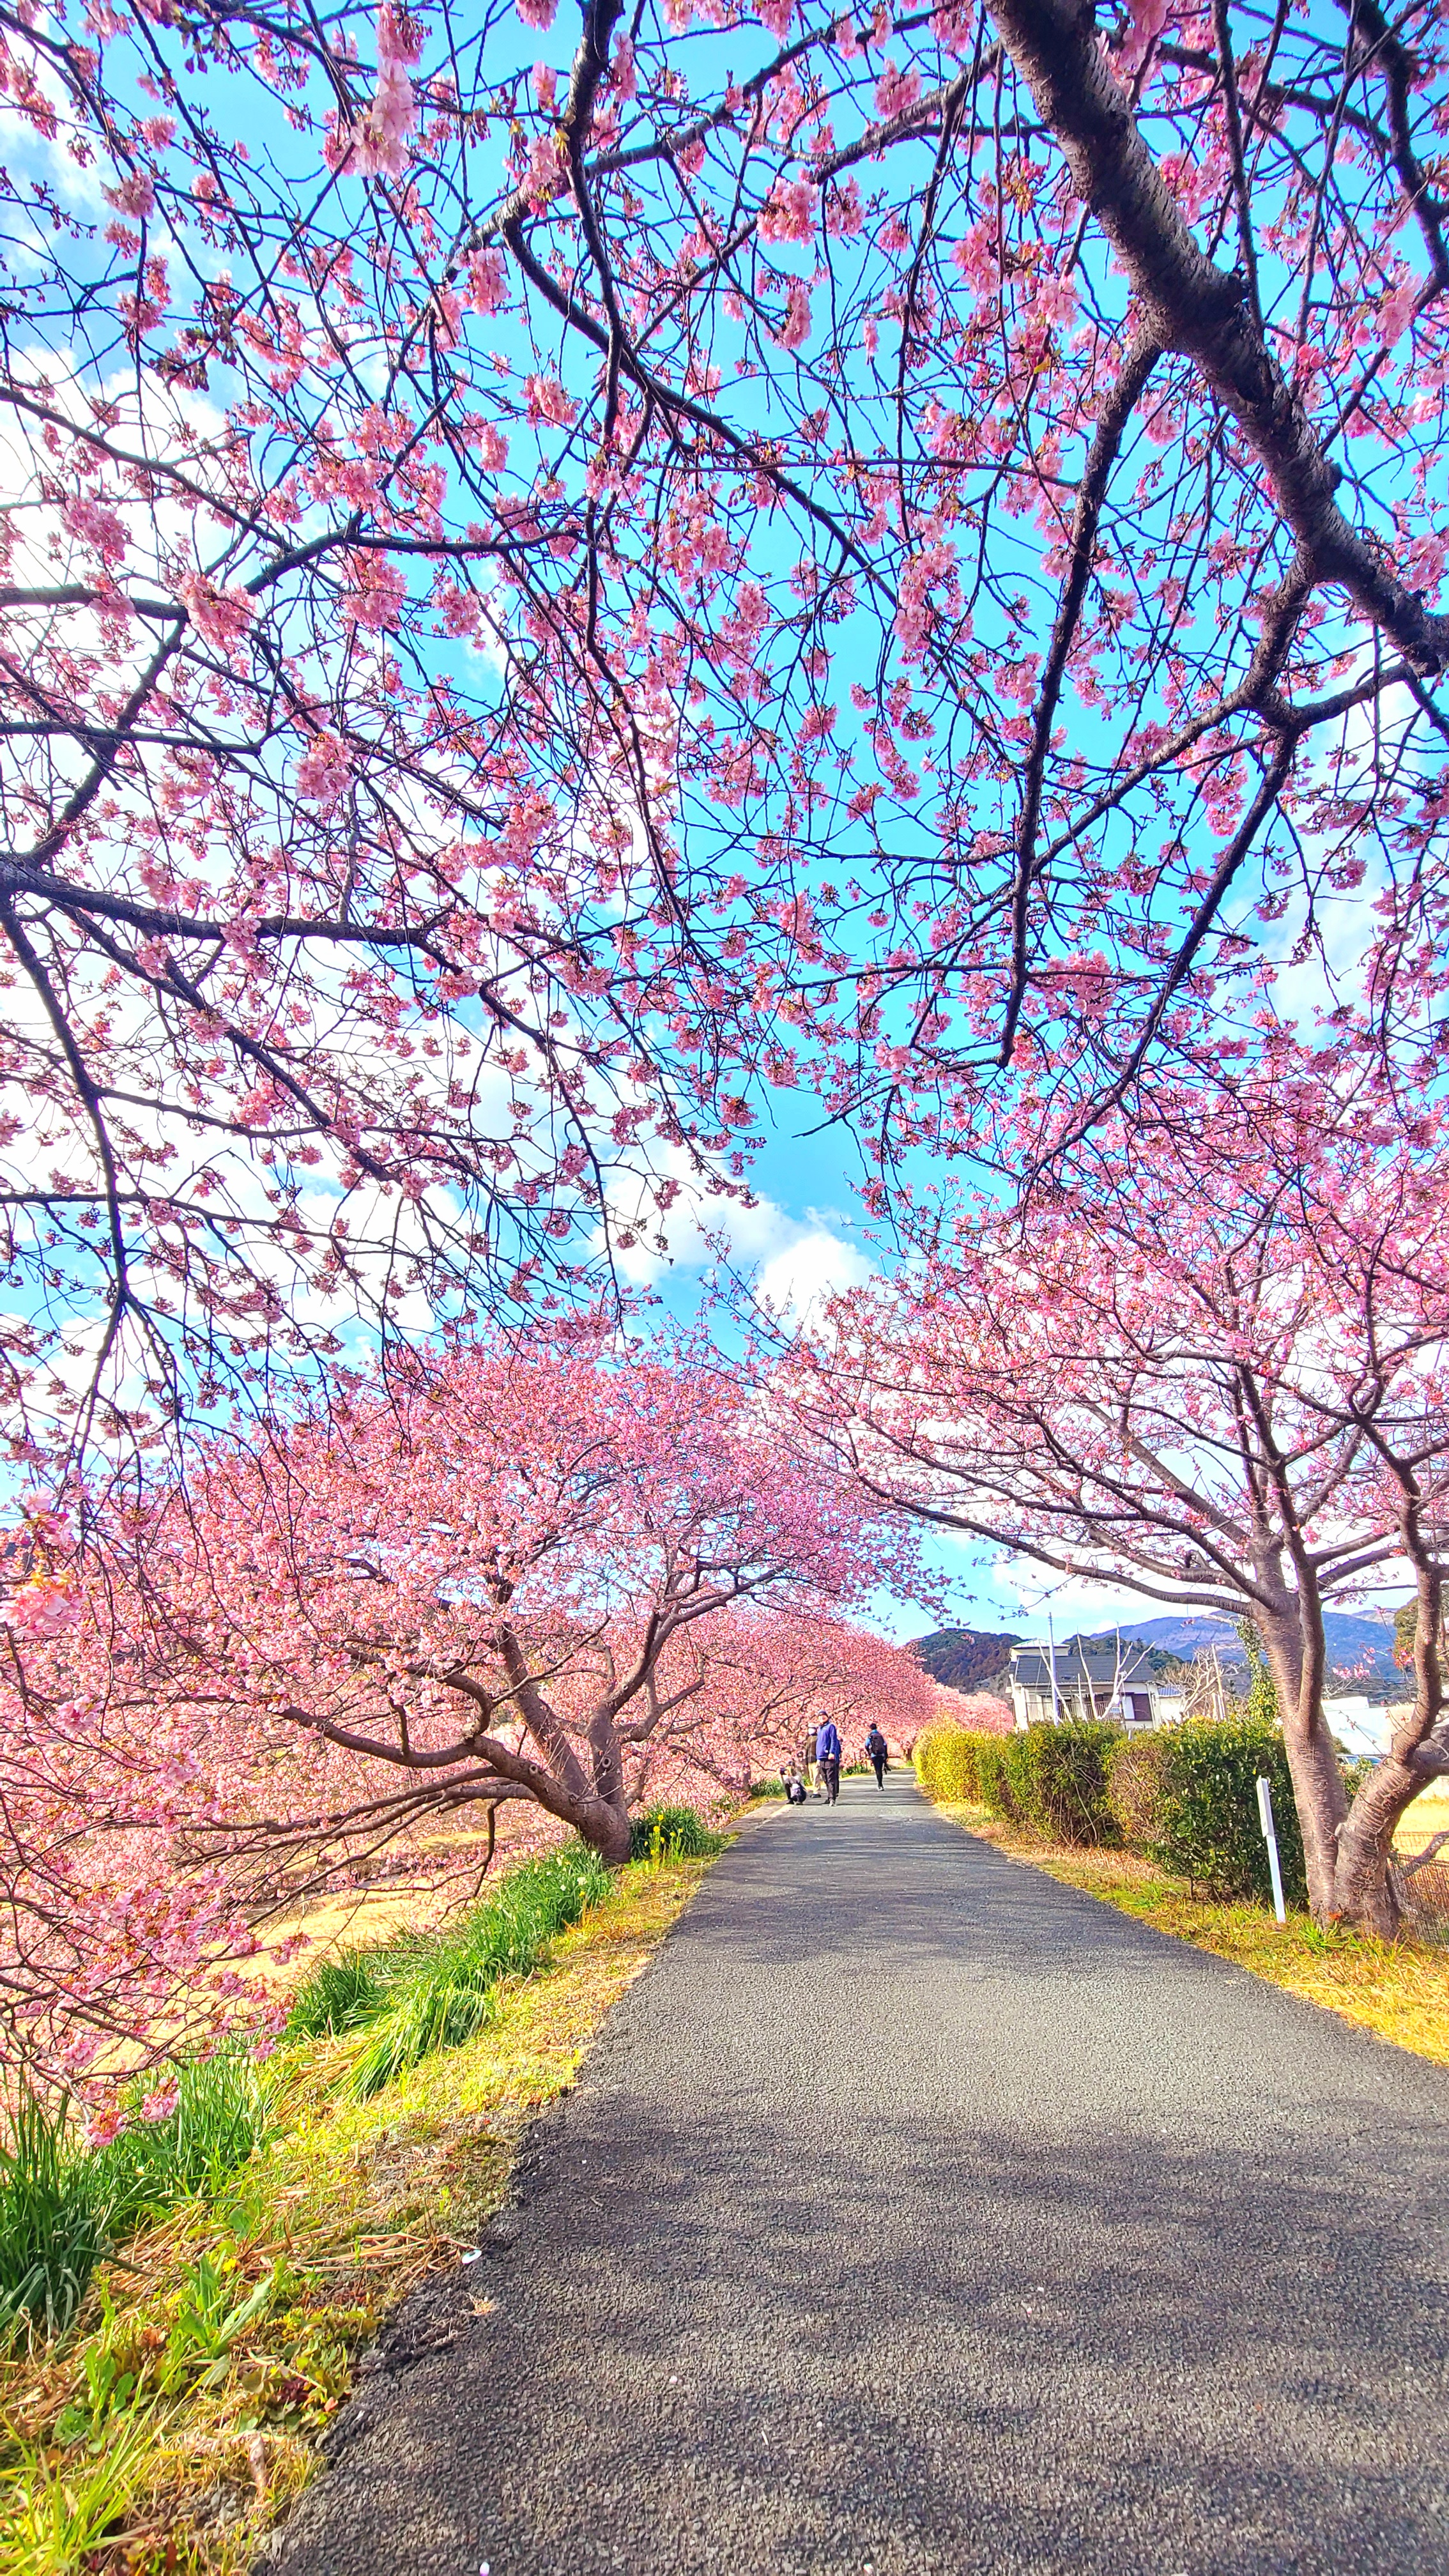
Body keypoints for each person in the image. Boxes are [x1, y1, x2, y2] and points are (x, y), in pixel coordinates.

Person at [815, 1716, 842, 1805]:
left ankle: (832, 1799)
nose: (822, 1717)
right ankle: (830, 1796)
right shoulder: (820, 1729)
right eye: (820, 1716)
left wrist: (832, 1752)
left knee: (831, 1778)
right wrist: (818, 1758)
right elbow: (819, 1744)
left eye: (824, 1715)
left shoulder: (831, 1727)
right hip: (821, 1758)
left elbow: (834, 1740)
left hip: (829, 1757)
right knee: (825, 1779)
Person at [865, 1722, 889, 1790]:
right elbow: (885, 1744)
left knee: (877, 1770)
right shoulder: (880, 1735)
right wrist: (886, 1754)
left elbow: (866, 1745)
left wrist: (869, 1752)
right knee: (880, 1770)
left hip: (874, 1755)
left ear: (870, 1728)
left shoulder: (870, 1736)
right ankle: (881, 1784)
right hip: (881, 1755)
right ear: (876, 1727)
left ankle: (879, 1785)